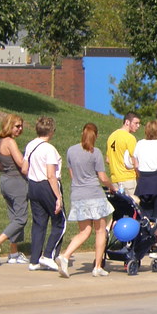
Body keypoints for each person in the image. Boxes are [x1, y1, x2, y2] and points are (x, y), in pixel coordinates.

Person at [56, 123, 114, 278]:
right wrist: (112, 187)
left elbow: (72, 175)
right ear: (96, 136)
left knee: (84, 231)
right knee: (100, 230)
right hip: (94, 194)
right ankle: (97, 267)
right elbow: (102, 177)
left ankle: (65, 256)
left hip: (78, 194)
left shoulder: (71, 151)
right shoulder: (96, 153)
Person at [0, 114, 30, 265]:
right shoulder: (10, 142)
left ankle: (14, 253)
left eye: (21, 126)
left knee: (14, 217)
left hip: (5, 181)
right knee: (21, 218)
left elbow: (0, 165)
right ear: (9, 125)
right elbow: (22, 165)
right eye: (17, 126)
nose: (20, 129)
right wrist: (29, 158)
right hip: (16, 183)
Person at [24, 116, 66, 271]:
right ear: (51, 131)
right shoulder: (49, 149)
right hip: (47, 186)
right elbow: (51, 175)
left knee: (39, 223)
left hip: (33, 185)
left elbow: (24, 167)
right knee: (60, 222)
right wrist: (58, 197)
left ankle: (34, 260)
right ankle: (48, 255)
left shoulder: (30, 145)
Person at [133, 118, 157, 243]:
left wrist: (141, 175)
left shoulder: (139, 144)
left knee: (145, 215)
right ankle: (155, 244)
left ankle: (144, 242)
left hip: (143, 182)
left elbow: (136, 164)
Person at [105, 112, 141, 197]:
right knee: (133, 208)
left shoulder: (111, 136)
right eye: (136, 123)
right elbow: (135, 160)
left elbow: (107, 159)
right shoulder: (130, 138)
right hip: (129, 180)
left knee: (121, 208)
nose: (138, 126)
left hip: (115, 180)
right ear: (127, 122)